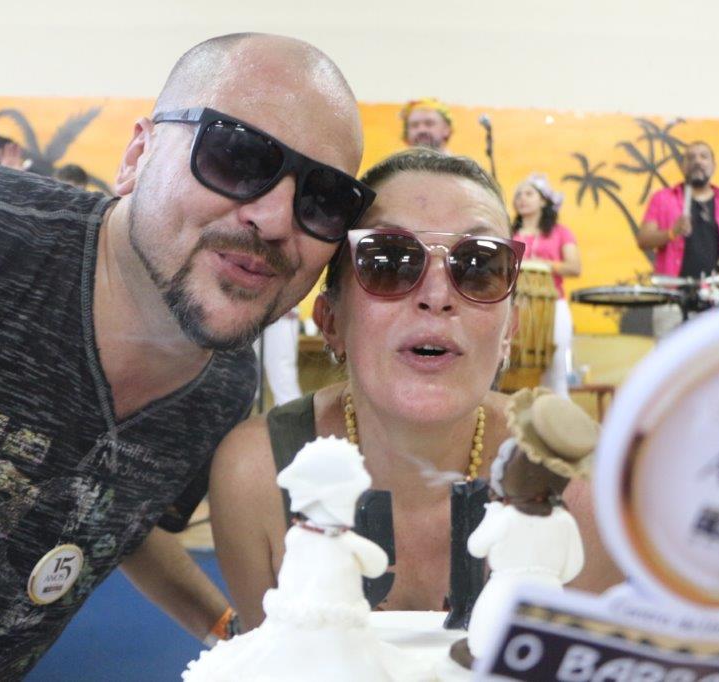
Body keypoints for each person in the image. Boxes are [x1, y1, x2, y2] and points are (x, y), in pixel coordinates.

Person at [0, 32, 371, 679]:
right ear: (138, 155)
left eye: (324, 199)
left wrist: (233, 634)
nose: (277, 219)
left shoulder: (224, 386)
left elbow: (117, 519)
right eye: (236, 156)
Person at [210, 149, 622, 634]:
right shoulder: (258, 476)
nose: (437, 296)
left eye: (479, 266)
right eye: (389, 262)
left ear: (508, 332)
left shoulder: (581, 484)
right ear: (331, 320)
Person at [636, 141, 719, 336]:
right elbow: (643, 239)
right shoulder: (662, 199)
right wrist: (671, 232)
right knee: (672, 355)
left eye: (704, 156)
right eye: (691, 157)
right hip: (672, 301)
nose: (697, 161)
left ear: (713, 165)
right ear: (682, 166)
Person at [512, 173, 581, 397]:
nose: (522, 198)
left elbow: (574, 267)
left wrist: (544, 265)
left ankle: (557, 414)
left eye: (529, 193)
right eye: (518, 195)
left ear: (543, 200)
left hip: (553, 305)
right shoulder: (508, 233)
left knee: (557, 368)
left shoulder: (560, 232)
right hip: (514, 305)